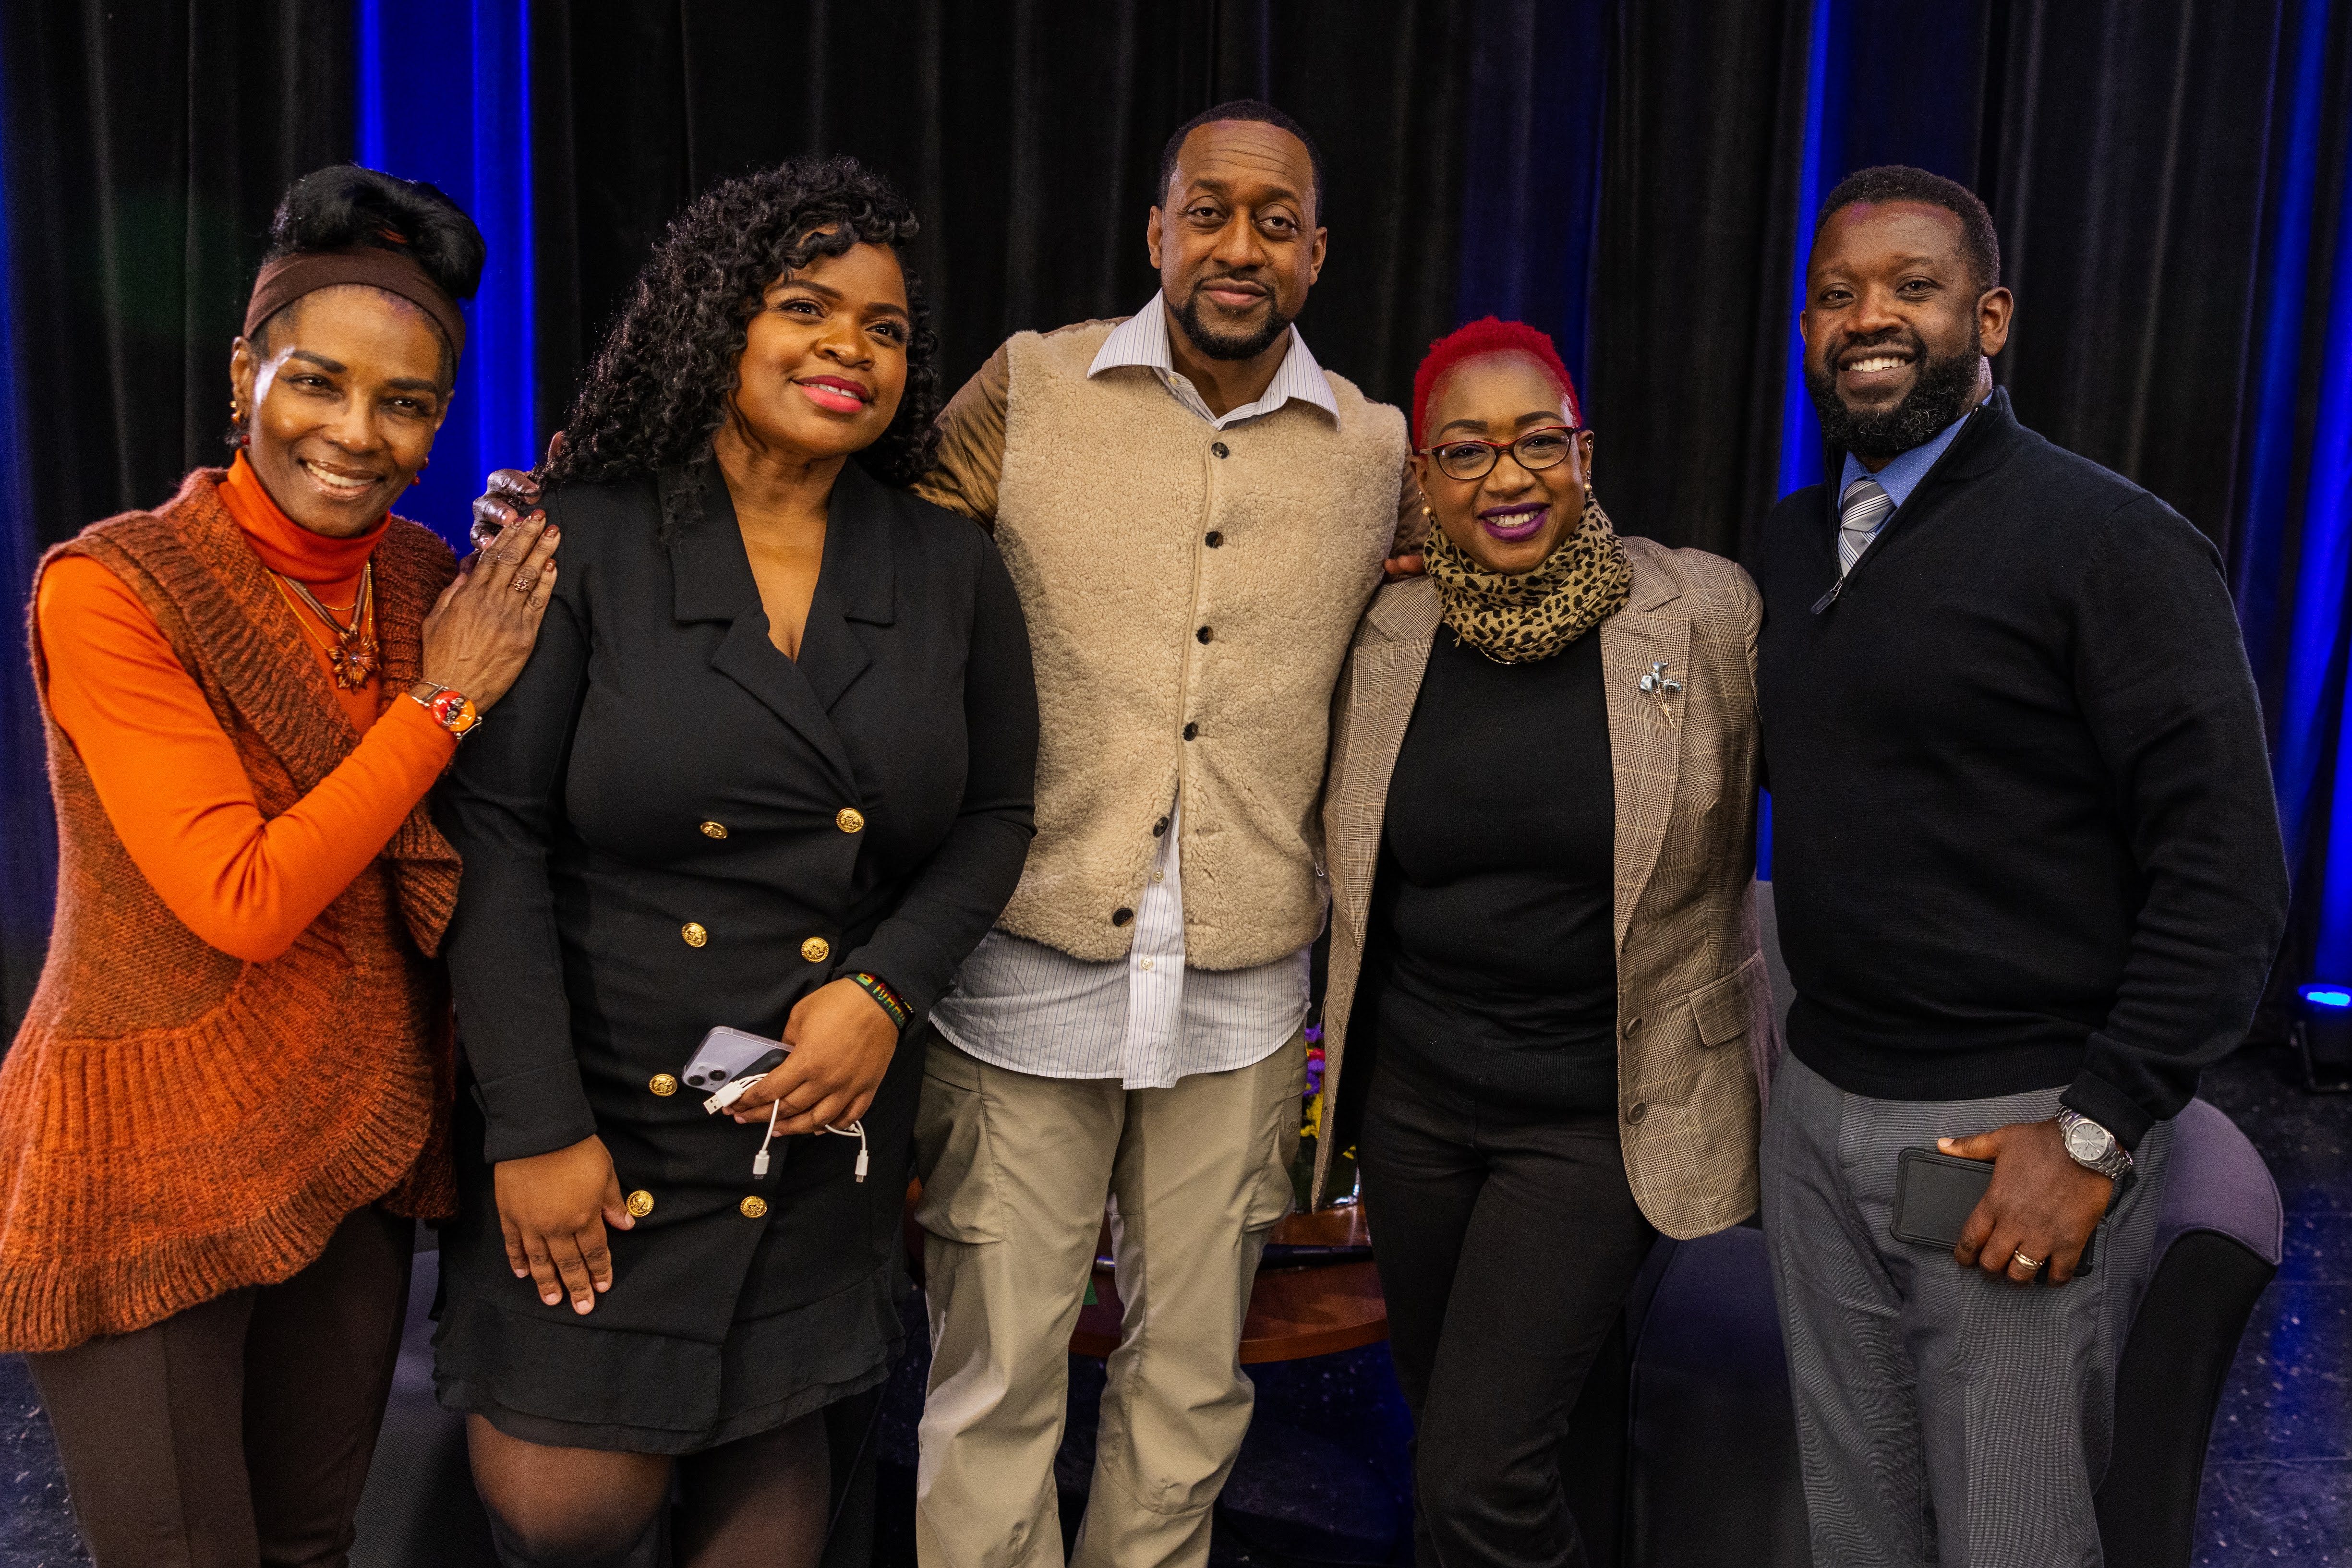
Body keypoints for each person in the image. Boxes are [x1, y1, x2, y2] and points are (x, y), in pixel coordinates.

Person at [472, 100, 1410, 1568]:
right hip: (1019, 981)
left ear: (1317, 252)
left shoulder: (1375, 449)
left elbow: (1489, 533)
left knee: (1191, 1379)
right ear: (1155, 230)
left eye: (1275, 219)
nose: (1239, 243)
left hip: (1233, 992)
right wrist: (578, 489)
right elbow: (848, 495)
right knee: (991, 1378)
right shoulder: (1029, 387)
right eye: (1207, 211)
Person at [430, 155, 1037, 1568]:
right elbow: (496, 839)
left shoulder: (947, 568)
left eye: (884, 330)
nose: (849, 349)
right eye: (807, 308)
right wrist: (531, 1128)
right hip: (604, 1113)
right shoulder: (578, 539)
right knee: (575, 1512)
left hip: (810, 1119)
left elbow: (999, 816)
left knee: (768, 1528)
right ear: (717, 322)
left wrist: (885, 992)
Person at [0, 165, 554, 1568]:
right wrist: (445, 702)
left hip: (353, 1136)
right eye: (317, 382)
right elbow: (241, 894)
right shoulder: (115, 586)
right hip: (147, 1156)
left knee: (311, 1549)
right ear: (245, 370)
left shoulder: (433, 582)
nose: (355, 435)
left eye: (407, 402)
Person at [1751, 164, 2290, 1567]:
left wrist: (2096, 1134)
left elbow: (2227, 879)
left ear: (1985, 318)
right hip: (1815, 1119)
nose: (1867, 317)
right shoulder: (1795, 543)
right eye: (1834, 293)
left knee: (2014, 1539)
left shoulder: (2110, 543)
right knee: (1856, 1532)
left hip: (2016, 1133)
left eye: (1910, 288)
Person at [1317, 317, 1772, 1566]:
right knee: (1492, 1445)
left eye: (1536, 443)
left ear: (1585, 452)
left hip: (1589, 1116)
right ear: (1421, 481)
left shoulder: (1705, 616)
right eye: (1464, 450)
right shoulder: (1381, 634)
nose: (1505, 476)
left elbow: (1854, 786)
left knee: (1475, 1478)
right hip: (1412, 1114)